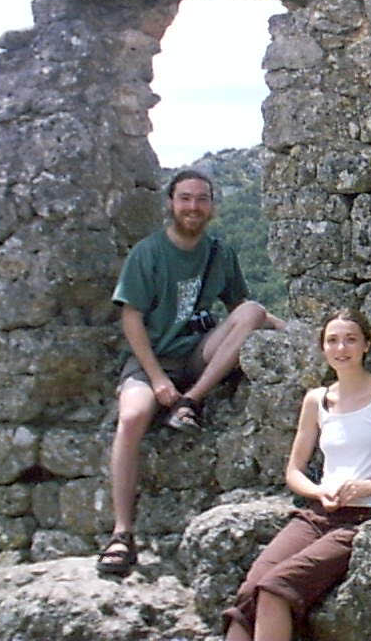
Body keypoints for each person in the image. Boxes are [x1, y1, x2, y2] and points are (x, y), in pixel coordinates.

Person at [97, 168, 284, 576]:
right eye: (185, 198)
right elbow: (131, 320)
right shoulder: (148, 254)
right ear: (171, 203)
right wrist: (157, 378)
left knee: (253, 311)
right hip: (154, 360)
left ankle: (191, 400)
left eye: (201, 199)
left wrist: (295, 332)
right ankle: (122, 532)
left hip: (196, 356)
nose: (193, 207)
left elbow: (243, 311)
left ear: (212, 205)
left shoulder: (220, 253)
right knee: (131, 418)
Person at [221, 307, 371, 641]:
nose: (341, 348)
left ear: (366, 345)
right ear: (323, 348)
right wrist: (318, 492)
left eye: (350, 339)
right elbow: (293, 470)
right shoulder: (316, 400)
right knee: (249, 591)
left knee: (276, 588)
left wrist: (369, 485)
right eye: (332, 340)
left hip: (360, 518)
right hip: (316, 514)